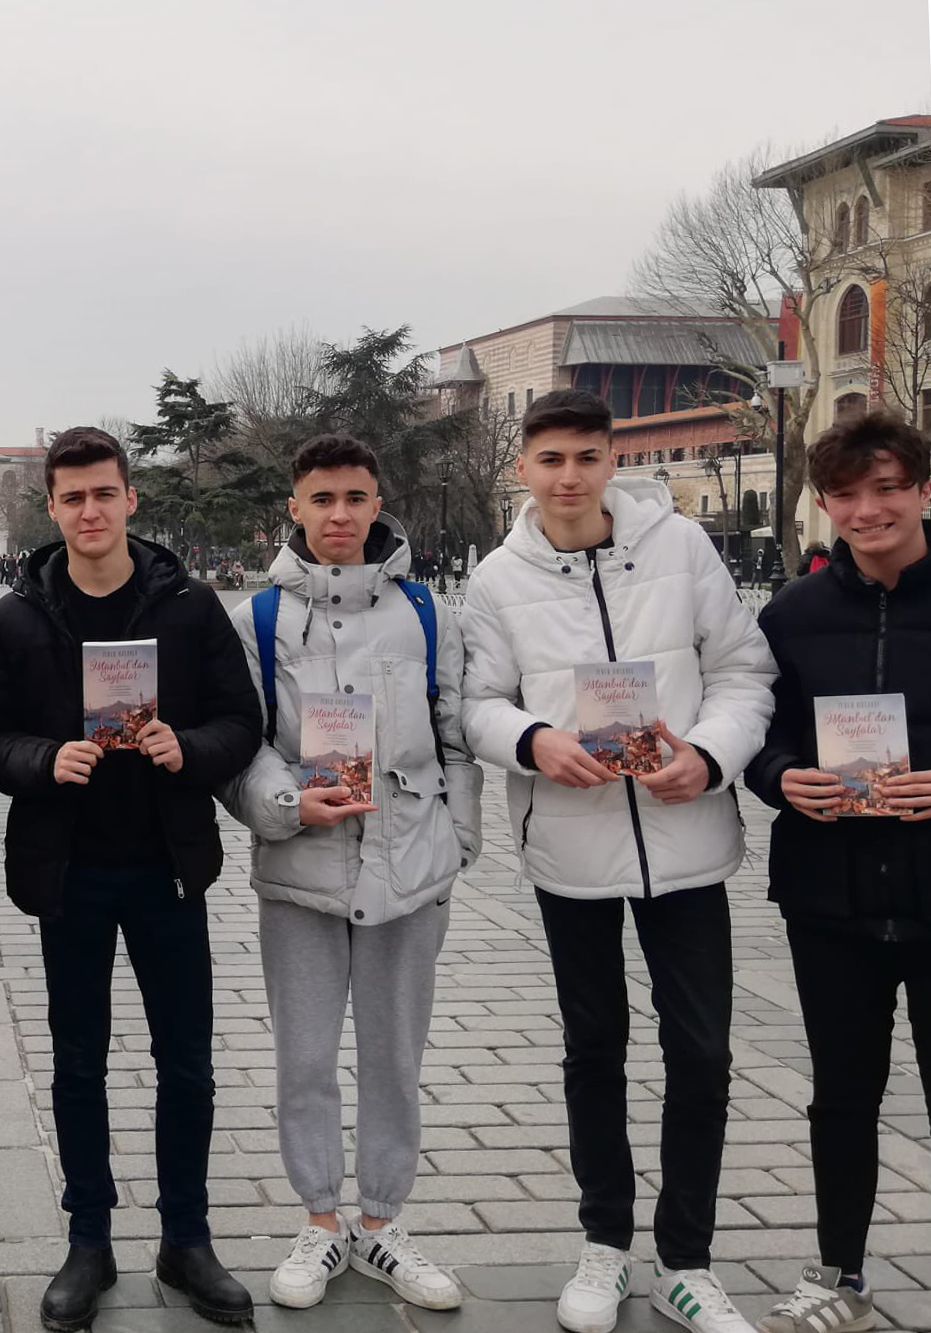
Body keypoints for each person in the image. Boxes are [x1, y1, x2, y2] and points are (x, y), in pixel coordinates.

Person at [460, 390, 776, 1333]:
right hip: (571, 844)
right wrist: (534, 740)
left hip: (688, 841)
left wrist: (710, 755)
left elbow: (744, 671)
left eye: (587, 457)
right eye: (551, 458)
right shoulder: (496, 579)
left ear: (611, 462)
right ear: (523, 467)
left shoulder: (682, 548)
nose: (570, 476)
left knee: (703, 1052)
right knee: (594, 1047)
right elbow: (476, 702)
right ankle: (604, 1241)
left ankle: (687, 1259)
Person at [0, 427, 262, 1330]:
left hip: (168, 862)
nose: (90, 510)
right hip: (69, 869)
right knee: (77, 1063)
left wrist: (190, 747)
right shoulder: (15, 619)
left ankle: (187, 1236)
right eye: (73, 497)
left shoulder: (190, 606)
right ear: (51, 509)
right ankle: (88, 1239)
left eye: (104, 493)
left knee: (188, 1062)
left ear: (131, 498)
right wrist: (42, 758)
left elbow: (240, 719)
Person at [221, 435, 480, 1312]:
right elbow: (243, 741)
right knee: (304, 1054)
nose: (340, 514)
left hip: (409, 863)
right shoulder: (257, 618)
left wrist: (458, 839)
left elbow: (455, 734)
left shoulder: (427, 612)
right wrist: (286, 803)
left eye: (356, 497)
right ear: (294, 507)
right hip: (303, 863)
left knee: (395, 1053)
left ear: (378, 503)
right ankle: (320, 1217)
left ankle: (381, 1219)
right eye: (323, 498)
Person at [745, 413, 931, 1333]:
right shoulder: (793, 612)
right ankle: (840, 1274)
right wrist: (783, 777)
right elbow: (756, 729)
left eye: (887, 488)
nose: (868, 510)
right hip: (830, 894)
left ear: (924, 490)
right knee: (842, 1095)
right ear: (824, 504)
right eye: (847, 494)